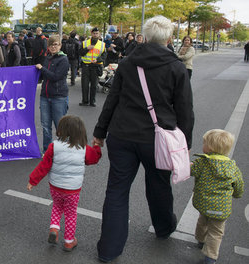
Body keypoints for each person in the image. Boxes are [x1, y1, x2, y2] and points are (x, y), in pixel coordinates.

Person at [93, 16, 194, 263]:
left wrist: (100, 132)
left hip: (122, 134)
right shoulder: (176, 67)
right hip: (157, 139)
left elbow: (112, 99)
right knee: (159, 185)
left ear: (145, 37)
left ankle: (109, 249)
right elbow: (184, 110)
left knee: (117, 190)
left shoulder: (128, 63)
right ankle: (164, 227)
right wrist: (185, 144)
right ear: (169, 39)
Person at [27, 115, 102, 252]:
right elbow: (94, 159)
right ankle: (69, 241)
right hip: (73, 189)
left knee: (57, 206)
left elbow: (44, 166)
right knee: (70, 213)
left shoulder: (54, 146)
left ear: (60, 131)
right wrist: (96, 146)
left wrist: (33, 180)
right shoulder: (84, 149)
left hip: (55, 186)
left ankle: (54, 228)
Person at [191, 129, 244, 264]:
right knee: (216, 233)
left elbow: (189, 170)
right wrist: (237, 194)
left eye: (204, 143)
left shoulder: (202, 163)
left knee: (202, 221)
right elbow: (238, 186)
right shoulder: (233, 168)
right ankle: (210, 257)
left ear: (209, 148)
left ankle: (200, 240)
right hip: (221, 208)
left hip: (203, 204)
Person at [35, 35, 69, 152]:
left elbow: (55, 77)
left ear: (60, 45)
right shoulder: (47, 58)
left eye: (56, 44)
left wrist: (42, 69)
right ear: (48, 47)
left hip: (59, 97)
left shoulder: (63, 59)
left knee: (60, 127)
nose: (53, 47)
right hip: (45, 96)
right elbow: (44, 75)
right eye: (51, 45)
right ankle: (47, 151)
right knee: (45, 127)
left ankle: (64, 151)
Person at [79, 27, 106, 107]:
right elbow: (80, 52)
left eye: (97, 33)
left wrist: (97, 60)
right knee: (85, 84)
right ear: (91, 33)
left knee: (94, 85)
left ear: (99, 34)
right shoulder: (85, 43)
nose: (95, 35)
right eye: (94, 33)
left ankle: (92, 101)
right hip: (86, 65)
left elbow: (104, 56)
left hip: (96, 66)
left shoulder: (102, 44)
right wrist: (87, 48)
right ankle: (85, 101)